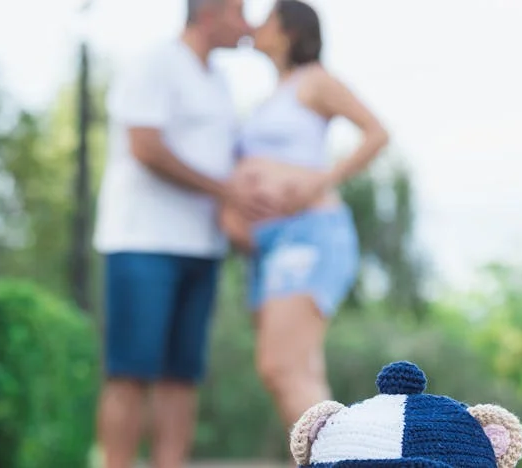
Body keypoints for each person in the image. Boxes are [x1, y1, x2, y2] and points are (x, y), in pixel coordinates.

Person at [92, 1, 276, 467]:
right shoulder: (155, 62)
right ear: (209, 15)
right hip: (143, 243)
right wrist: (225, 191)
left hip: (202, 248)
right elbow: (145, 147)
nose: (248, 25)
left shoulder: (219, 80)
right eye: (239, 13)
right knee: (130, 372)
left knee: (182, 376)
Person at [219, 0, 390, 434]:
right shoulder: (271, 96)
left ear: (290, 31)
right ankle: (326, 458)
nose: (255, 26)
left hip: (308, 233)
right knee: (299, 373)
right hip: (268, 247)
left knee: (280, 366)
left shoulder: (314, 81)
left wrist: (321, 181)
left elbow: (376, 133)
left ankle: (342, 457)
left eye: (266, 20)